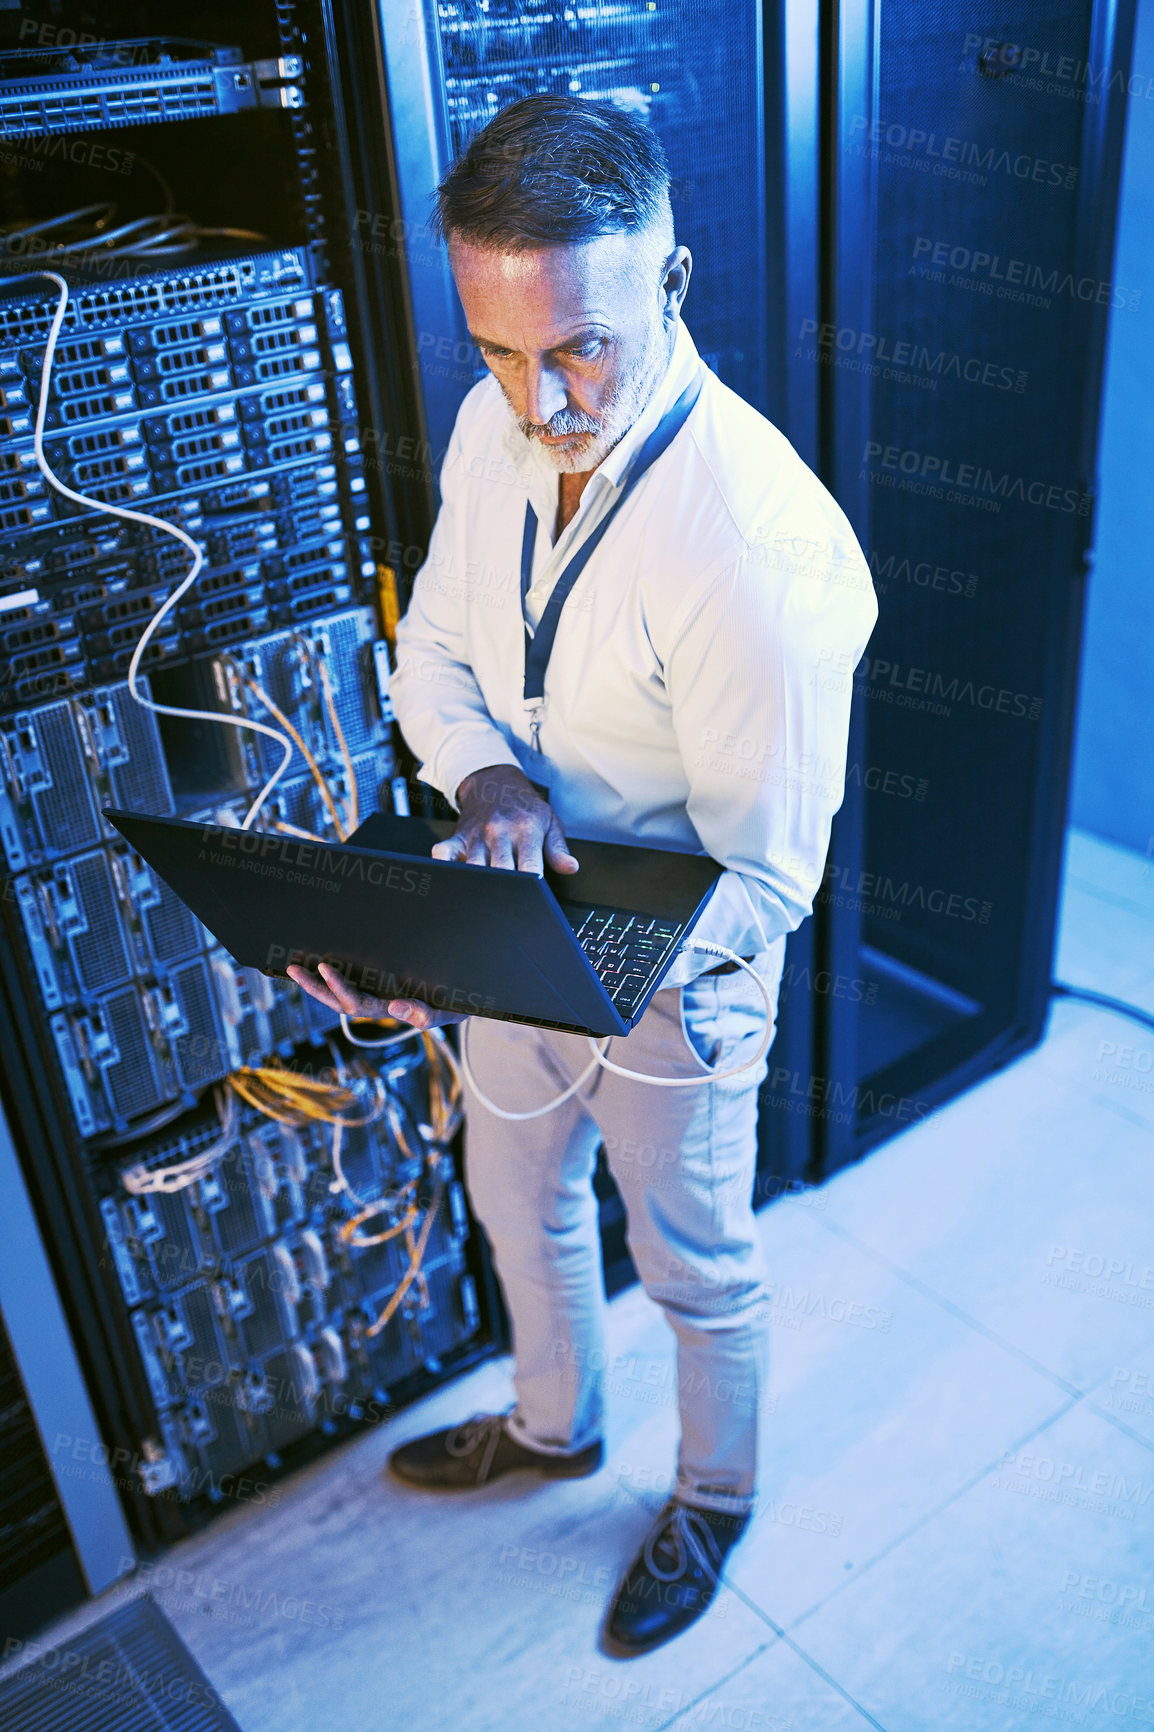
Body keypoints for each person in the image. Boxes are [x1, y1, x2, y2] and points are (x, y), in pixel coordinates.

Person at [288, 93, 877, 1655]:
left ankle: (713, 1494)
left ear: (670, 287)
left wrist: (515, 942)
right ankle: (552, 1432)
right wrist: (478, 795)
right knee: (514, 1199)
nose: (535, 399)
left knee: (692, 1258)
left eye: (578, 350)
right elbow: (442, 660)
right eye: (495, 350)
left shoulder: (760, 558)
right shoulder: (501, 421)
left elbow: (764, 881)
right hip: (514, 918)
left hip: (673, 978)